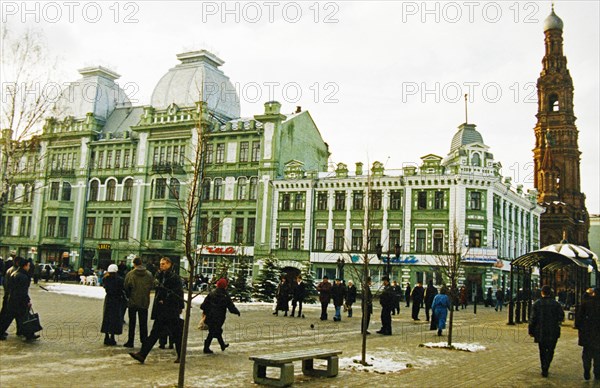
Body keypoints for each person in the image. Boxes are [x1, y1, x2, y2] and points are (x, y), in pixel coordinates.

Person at [129, 257, 184, 364]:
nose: (161, 265)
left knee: (176, 334)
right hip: (162, 311)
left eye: (163, 264)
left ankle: (180, 356)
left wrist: (175, 305)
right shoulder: (160, 275)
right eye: (160, 264)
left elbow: (178, 293)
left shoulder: (174, 277)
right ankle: (142, 354)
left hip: (171, 310)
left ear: (169, 264)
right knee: (155, 334)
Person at [528, 285, 564, 377]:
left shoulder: (537, 304)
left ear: (542, 293)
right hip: (553, 330)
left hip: (541, 330)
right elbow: (561, 317)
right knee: (551, 349)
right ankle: (547, 364)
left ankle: (544, 367)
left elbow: (533, 318)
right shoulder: (556, 304)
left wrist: (531, 330)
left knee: (542, 350)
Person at [0, 257, 39, 341]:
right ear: (24, 266)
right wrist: (27, 301)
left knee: (18, 317)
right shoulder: (23, 276)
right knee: (16, 317)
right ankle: (28, 334)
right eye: (28, 265)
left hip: (13, 300)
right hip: (18, 301)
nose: (29, 267)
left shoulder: (14, 273)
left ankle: (29, 334)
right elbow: (23, 291)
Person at [200, 278, 240, 354]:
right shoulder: (225, 295)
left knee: (215, 331)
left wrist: (206, 311)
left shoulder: (212, 293)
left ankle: (221, 345)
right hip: (219, 318)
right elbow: (231, 306)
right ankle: (207, 348)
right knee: (214, 331)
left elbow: (203, 306)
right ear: (225, 286)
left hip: (210, 317)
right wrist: (237, 312)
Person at [123, 257, 154, 348]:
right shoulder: (149, 274)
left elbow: (126, 286)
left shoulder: (130, 274)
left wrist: (129, 296)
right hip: (144, 301)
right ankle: (144, 341)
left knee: (132, 322)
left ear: (134, 264)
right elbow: (152, 285)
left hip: (132, 301)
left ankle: (130, 341)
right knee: (143, 323)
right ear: (141, 263)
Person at [575, 287, 600, 381]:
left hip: (587, 333)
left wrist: (579, 328)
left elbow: (579, 319)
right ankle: (597, 373)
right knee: (598, 354)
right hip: (598, 335)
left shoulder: (586, 303)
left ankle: (586, 370)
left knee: (586, 354)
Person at [101, 264, 125, 346]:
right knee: (114, 318)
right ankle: (112, 336)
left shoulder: (105, 279)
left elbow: (104, 287)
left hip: (108, 300)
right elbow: (122, 289)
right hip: (117, 300)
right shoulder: (120, 280)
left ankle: (106, 336)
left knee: (107, 317)